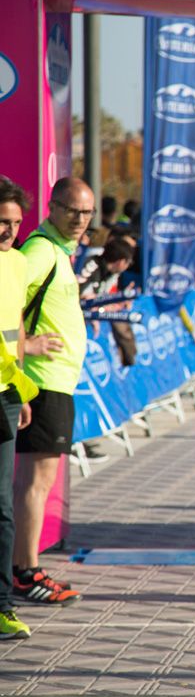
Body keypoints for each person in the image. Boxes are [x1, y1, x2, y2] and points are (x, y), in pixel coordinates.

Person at [12, 177, 93, 606]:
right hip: (40, 383)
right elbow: (5, 301)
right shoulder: (41, 250)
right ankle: (25, 572)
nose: (80, 220)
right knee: (35, 483)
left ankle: (23, 568)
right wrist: (27, 345)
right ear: (52, 207)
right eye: (72, 210)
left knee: (37, 482)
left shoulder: (57, 252)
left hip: (54, 383)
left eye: (87, 213)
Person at [0, 177, 36, 639]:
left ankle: (2, 605)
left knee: (1, 507)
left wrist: (23, 393)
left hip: (7, 394)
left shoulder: (19, 264)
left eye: (14, 224)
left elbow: (18, 324)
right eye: (0, 222)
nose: (7, 231)